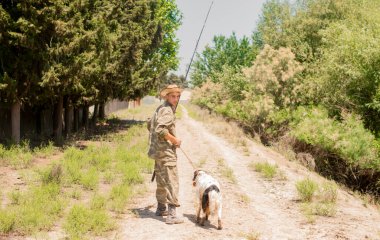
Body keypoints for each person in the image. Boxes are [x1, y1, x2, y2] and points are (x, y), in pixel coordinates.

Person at [147, 84, 184, 224]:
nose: (175, 99)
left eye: (177, 96)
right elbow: (160, 129)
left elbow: (150, 125)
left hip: (157, 151)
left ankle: (161, 208)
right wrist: (175, 140)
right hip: (167, 152)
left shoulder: (160, 108)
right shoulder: (167, 111)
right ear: (167, 96)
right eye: (173, 96)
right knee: (172, 181)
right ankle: (172, 215)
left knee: (161, 180)